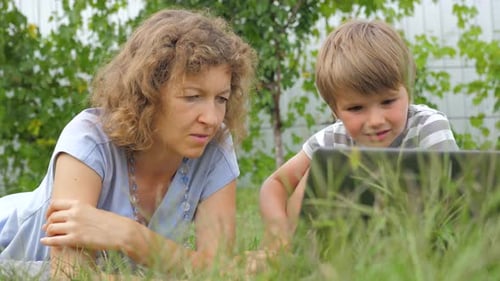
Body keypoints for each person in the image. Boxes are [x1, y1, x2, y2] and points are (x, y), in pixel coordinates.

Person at [0, 8, 257, 279]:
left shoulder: (214, 147)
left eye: (221, 99)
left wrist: (130, 236)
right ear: (147, 94)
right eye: (193, 96)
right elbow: (72, 275)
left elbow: (218, 272)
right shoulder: (88, 141)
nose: (212, 118)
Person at [259, 19, 459, 253]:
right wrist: (278, 234)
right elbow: (274, 185)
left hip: (418, 243)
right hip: (343, 249)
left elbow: (454, 198)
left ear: (408, 89)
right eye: (356, 108)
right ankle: (290, 255)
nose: (375, 121)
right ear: (335, 111)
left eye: (388, 101)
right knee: (315, 168)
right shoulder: (332, 140)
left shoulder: (428, 127)